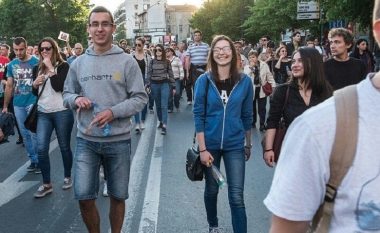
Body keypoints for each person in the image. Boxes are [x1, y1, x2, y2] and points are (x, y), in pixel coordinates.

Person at [264, 1, 380, 231]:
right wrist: (269, 148)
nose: (333, 45)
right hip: (325, 145)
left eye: (338, 41)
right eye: (331, 41)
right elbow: (273, 120)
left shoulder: (354, 69)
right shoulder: (317, 124)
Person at [62, 6, 148, 233]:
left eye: (104, 24)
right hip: (86, 140)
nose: (100, 28)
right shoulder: (78, 63)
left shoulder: (127, 61)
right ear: (89, 29)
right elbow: (66, 94)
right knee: (84, 197)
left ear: (113, 28)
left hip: (118, 141)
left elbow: (140, 98)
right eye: (95, 24)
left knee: (118, 196)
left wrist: (113, 112)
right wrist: (77, 98)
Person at [193, 35, 253, 233]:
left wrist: (248, 144)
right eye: (217, 49)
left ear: (233, 52)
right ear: (212, 54)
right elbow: (198, 115)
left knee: (236, 196)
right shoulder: (204, 80)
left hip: (235, 145)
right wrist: (202, 149)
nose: (222, 52)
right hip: (209, 145)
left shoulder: (245, 82)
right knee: (212, 190)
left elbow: (247, 115)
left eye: (226, 48)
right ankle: (213, 225)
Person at [263, 47, 333, 167]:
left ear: (313, 63)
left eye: (300, 61)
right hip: (291, 152)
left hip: (320, 154)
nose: (295, 65)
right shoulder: (283, 91)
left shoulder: (325, 92)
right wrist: (268, 150)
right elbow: (272, 121)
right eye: (293, 61)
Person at [31, 37, 74, 198]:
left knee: (64, 146)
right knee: (41, 148)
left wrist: (50, 69)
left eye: (48, 48)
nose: (44, 51)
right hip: (43, 112)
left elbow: (60, 87)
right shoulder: (37, 68)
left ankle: (67, 176)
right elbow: (36, 92)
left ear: (54, 50)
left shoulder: (64, 66)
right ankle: (47, 183)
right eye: (41, 49)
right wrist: (34, 84)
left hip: (62, 111)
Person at [2, 37, 40, 172]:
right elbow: (10, 85)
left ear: (26, 47)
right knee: (24, 134)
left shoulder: (36, 62)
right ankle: (33, 160)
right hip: (18, 103)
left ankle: (39, 160)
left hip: (33, 102)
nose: (18, 52)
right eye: (16, 50)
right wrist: (6, 106)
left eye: (21, 49)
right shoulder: (12, 64)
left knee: (34, 133)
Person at [146, 44, 175, 135]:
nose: (158, 52)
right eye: (156, 50)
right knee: (158, 105)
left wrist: (173, 86)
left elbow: (171, 74)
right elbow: (149, 73)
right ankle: (161, 121)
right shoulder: (152, 61)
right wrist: (147, 85)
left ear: (162, 51)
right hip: (154, 85)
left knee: (164, 105)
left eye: (160, 50)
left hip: (164, 84)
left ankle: (164, 125)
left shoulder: (167, 62)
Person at [243, 50, 275, 131]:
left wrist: (273, 86)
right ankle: (253, 122)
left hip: (262, 89)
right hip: (251, 90)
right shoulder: (247, 67)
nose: (251, 59)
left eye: (253, 57)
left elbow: (269, 76)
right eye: (250, 58)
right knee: (252, 108)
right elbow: (246, 77)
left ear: (257, 57)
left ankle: (262, 124)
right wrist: (251, 68)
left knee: (262, 108)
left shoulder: (264, 65)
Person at [185, 29, 209, 104]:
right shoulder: (190, 47)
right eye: (195, 35)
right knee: (196, 85)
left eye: (199, 35)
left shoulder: (206, 45)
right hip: (194, 68)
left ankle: (205, 100)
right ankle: (197, 102)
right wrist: (187, 72)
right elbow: (187, 60)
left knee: (205, 84)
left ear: (201, 36)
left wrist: (209, 68)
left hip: (205, 68)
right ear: (193, 37)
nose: (197, 37)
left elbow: (209, 57)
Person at [133, 37, 151, 133]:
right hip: (134, 80)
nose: (137, 47)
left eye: (139, 45)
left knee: (144, 101)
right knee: (135, 101)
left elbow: (150, 71)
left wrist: (148, 83)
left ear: (143, 45)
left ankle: (143, 120)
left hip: (144, 80)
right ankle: (137, 122)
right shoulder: (131, 56)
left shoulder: (147, 57)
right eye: (135, 45)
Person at [166, 47, 184, 112]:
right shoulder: (164, 60)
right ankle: (170, 108)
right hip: (167, 79)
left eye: (168, 51)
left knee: (177, 93)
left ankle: (177, 103)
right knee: (169, 94)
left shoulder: (177, 59)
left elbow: (181, 67)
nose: (167, 52)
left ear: (172, 52)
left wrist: (181, 76)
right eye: (166, 51)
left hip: (176, 78)